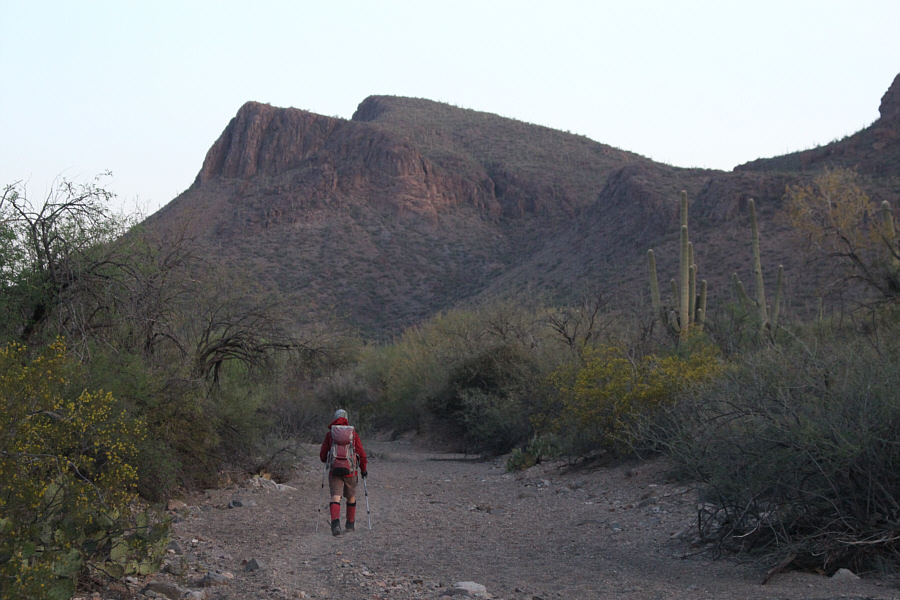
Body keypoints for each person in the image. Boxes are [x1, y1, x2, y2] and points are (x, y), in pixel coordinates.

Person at [319, 409, 368, 536]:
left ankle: (335, 525)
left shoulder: (330, 435)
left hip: (335, 471)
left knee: (335, 496)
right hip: (350, 472)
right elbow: (362, 454)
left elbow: (323, 456)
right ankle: (350, 524)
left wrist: (328, 461)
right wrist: (363, 470)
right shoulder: (353, 434)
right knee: (350, 497)